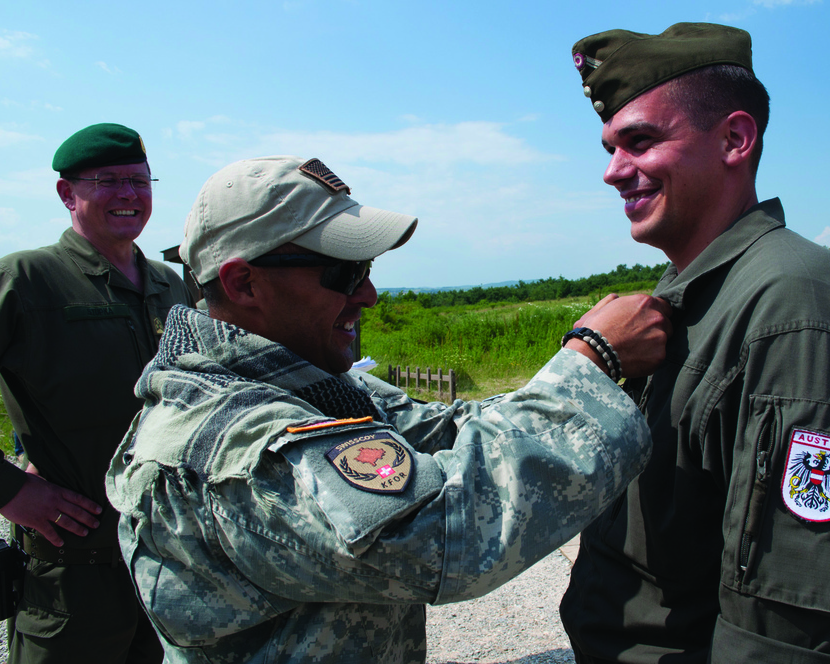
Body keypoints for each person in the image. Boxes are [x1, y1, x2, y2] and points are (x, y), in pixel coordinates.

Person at [104, 155, 673, 663]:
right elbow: (448, 533)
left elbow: (440, 429)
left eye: (368, 269)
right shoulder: (231, 441)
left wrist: (576, 374)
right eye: (345, 271)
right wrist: (590, 360)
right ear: (244, 282)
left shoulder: (302, 384)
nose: (368, 294)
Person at [558, 23, 830, 663]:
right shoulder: (692, 290)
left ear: (735, 140)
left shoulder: (800, 304)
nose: (612, 172)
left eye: (640, 141)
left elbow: (790, 614)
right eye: (609, 147)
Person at [0, 123, 194, 664]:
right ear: (68, 193)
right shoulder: (26, 279)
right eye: (108, 181)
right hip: (73, 574)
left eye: (139, 180)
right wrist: (11, 490)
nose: (129, 194)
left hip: (169, 565)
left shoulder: (170, 285)